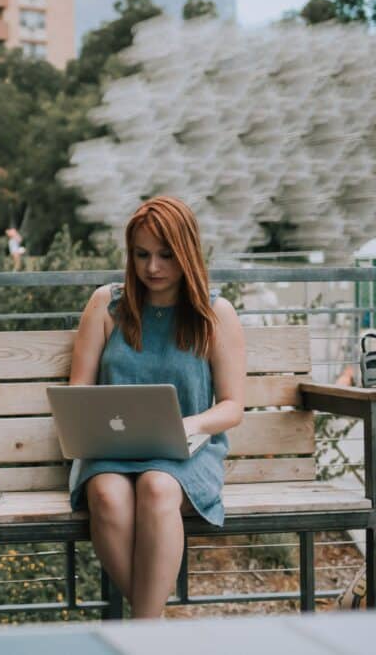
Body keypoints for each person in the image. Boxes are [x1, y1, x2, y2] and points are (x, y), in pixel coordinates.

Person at [67, 196, 246, 619]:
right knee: (108, 497)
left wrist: (187, 424)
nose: (152, 268)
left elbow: (233, 406)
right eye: (142, 255)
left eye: (166, 255)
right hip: (109, 453)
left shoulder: (215, 314)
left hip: (185, 453)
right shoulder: (106, 306)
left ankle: (144, 634)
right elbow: (78, 392)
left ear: (187, 251)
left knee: (157, 485)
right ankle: (154, 631)